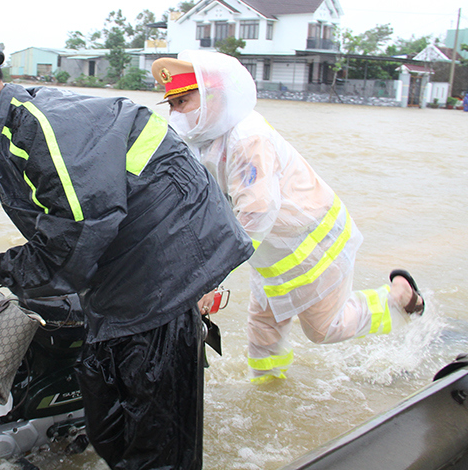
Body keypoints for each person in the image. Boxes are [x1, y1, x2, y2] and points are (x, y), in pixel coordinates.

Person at [0, 21, 253, 470]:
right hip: (123, 260)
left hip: (164, 262)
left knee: (155, 446)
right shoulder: (6, 127)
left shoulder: (44, 128)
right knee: (108, 421)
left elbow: (77, 236)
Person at [151, 52, 426, 384]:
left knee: (325, 329)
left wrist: (211, 279)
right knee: (263, 327)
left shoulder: (247, 137)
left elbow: (256, 212)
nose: (176, 112)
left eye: (183, 101)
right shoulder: (203, 140)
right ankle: (269, 392)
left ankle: (400, 296)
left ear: (212, 96)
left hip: (313, 244)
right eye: (172, 104)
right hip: (270, 253)